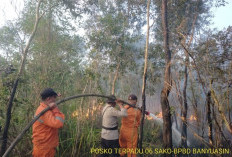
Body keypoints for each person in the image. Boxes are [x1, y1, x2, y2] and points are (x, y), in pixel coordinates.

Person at [32, 88, 65, 157]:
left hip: (45, 147)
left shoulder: (45, 108)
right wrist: (55, 108)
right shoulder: (44, 112)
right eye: (54, 97)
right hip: (44, 149)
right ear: (48, 99)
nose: (55, 100)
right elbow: (58, 123)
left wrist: (57, 96)